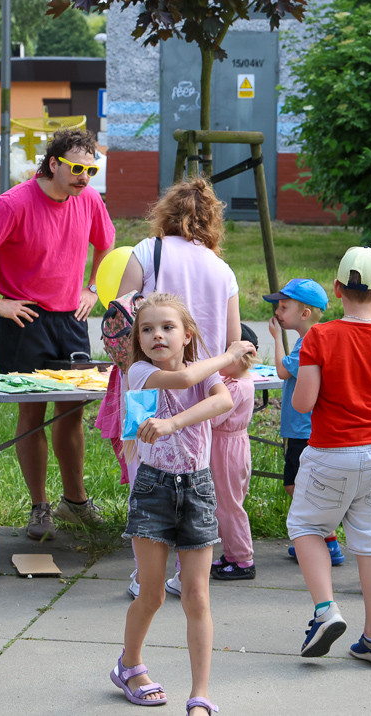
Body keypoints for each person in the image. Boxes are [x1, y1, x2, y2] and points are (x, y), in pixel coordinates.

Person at [0, 128, 115, 541]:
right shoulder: (14, 203)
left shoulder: (90, 199)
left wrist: (92, 289)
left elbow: (107, 247)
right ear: (54, 163)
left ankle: (74, 503)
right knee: (32, 413)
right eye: (76, 168)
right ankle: (39, 506)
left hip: (71, 321)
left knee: (72, 412)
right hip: (25, 319)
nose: (84, 177)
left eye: (91, 170)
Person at [114, 292, 254, 715]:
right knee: (153, 594)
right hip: (154, 490)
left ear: (187, 334)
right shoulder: (138, 372)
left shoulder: (203, 374)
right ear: (138, 340)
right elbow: (182, 381)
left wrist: (175, 420)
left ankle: (200, 693)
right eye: (147, 329)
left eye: (167, 327)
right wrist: (228, 356)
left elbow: (223, 400)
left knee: (197, 596)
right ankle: (129, 664)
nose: (157, 335)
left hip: (197, 489)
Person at [287, 247, 371, 665]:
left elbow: (303, 403)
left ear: (337, 288)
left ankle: (326, 611)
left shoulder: (320, 336)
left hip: (331, 451)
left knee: (307, 527)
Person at [116, 177, 240, 598]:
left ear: (164, 215)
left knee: (142, 467)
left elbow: (120, 321)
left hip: (145, 381)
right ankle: (183, 572)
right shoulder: (223, 270)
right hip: (202, 380)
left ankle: (143, 572)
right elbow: (232, 339)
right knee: (194, 473)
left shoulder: (146, 251)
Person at [265, 279, 345, 567]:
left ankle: (326, 541)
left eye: (284, 307)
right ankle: (318, 540)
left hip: (304, 428)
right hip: (304, 426)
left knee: (298, 485)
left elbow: (282, 372)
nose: (277, 312)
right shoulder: (311, 338)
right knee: (298, 484)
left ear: (305, 313)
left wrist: (275, 338)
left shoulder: (310, 340)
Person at [209, 324, 260, 581]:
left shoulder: (237, 387)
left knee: (229, 505)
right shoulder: (236, 380)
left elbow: (215, 418)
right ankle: (231, 553)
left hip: (226, 446)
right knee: (224, 503)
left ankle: (243, 559)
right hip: (228, 444)